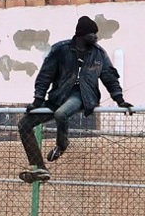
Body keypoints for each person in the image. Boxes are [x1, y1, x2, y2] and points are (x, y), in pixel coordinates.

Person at [17, 15, 133, 184]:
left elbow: (110, 77)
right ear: (81, 34)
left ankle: (62, 145)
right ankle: (40, 167)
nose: (96, 37)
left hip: (83, 96)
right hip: (58, 96)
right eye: (92, 33)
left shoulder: (99, 54)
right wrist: (37, 100)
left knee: (61, 114)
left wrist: (120, 100)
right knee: (24, 124)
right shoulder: (60, 50)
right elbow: (45, 76)